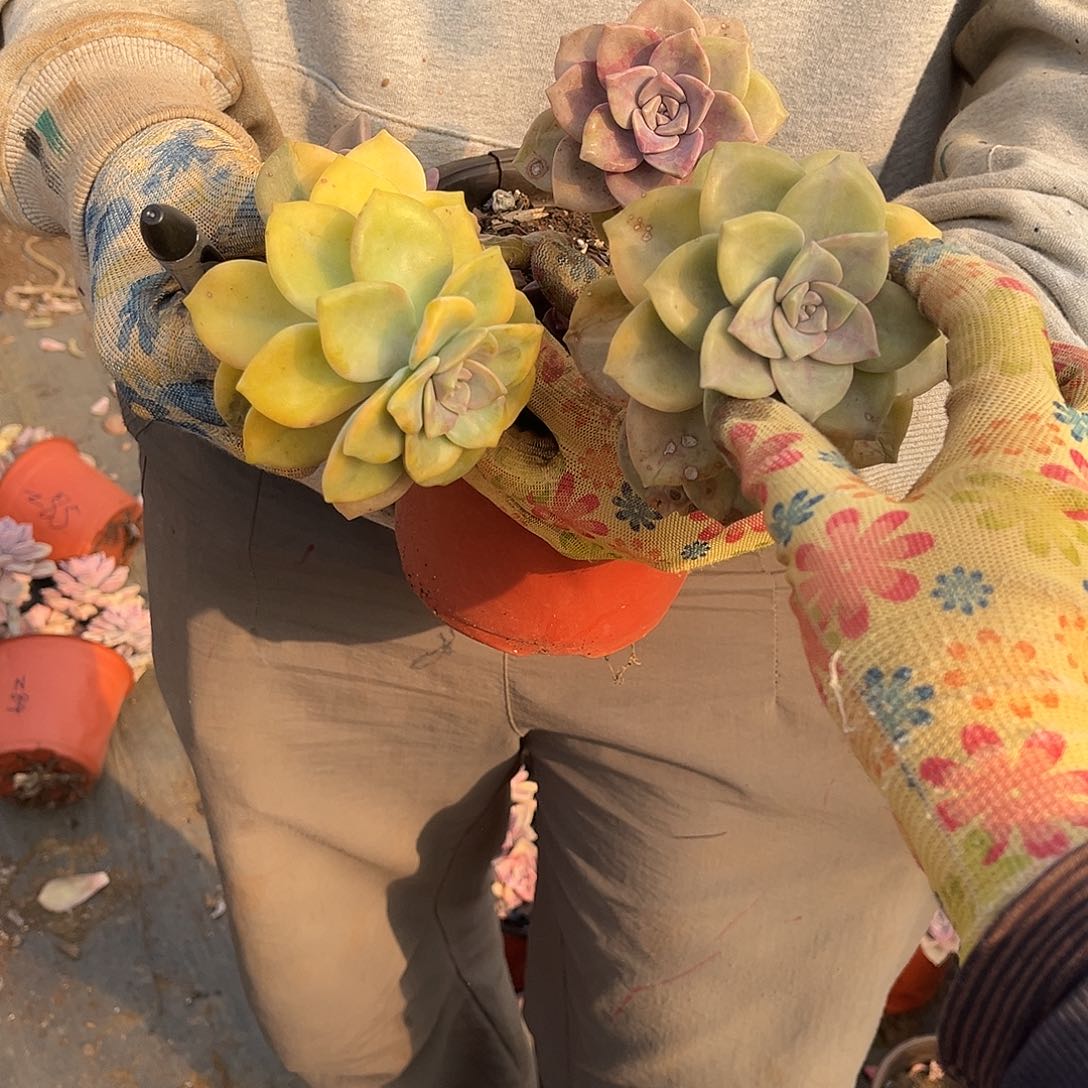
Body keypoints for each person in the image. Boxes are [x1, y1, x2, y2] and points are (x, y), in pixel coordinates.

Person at [0, 2, 1084, 1086]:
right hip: (290, 464)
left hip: (823, 538)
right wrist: (116, 102)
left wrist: (1023, 261)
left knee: (718, 1056)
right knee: (354, 1027)